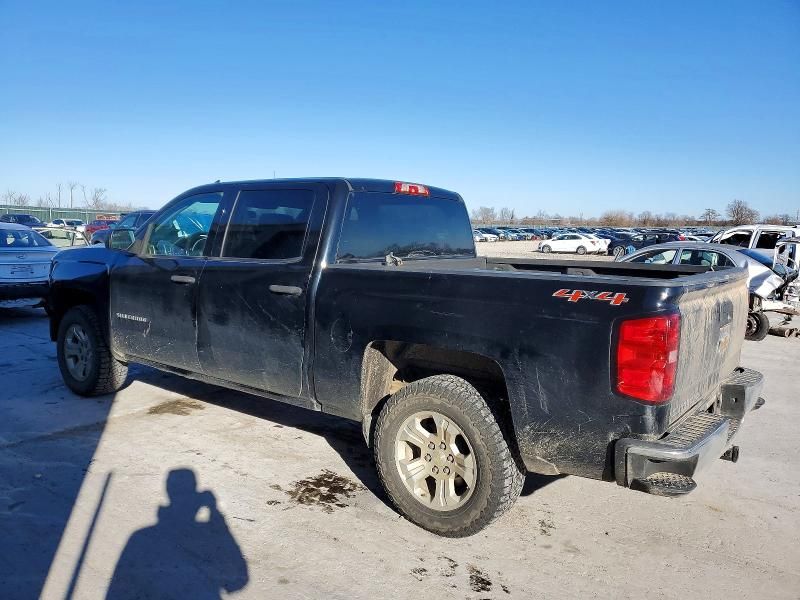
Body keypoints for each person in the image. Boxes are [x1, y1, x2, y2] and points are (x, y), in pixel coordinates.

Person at [106, 469, 248, 599]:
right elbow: (237, 581)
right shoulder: (206, 534)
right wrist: (214, 510)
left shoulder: (139, 536)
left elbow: (120, 587)